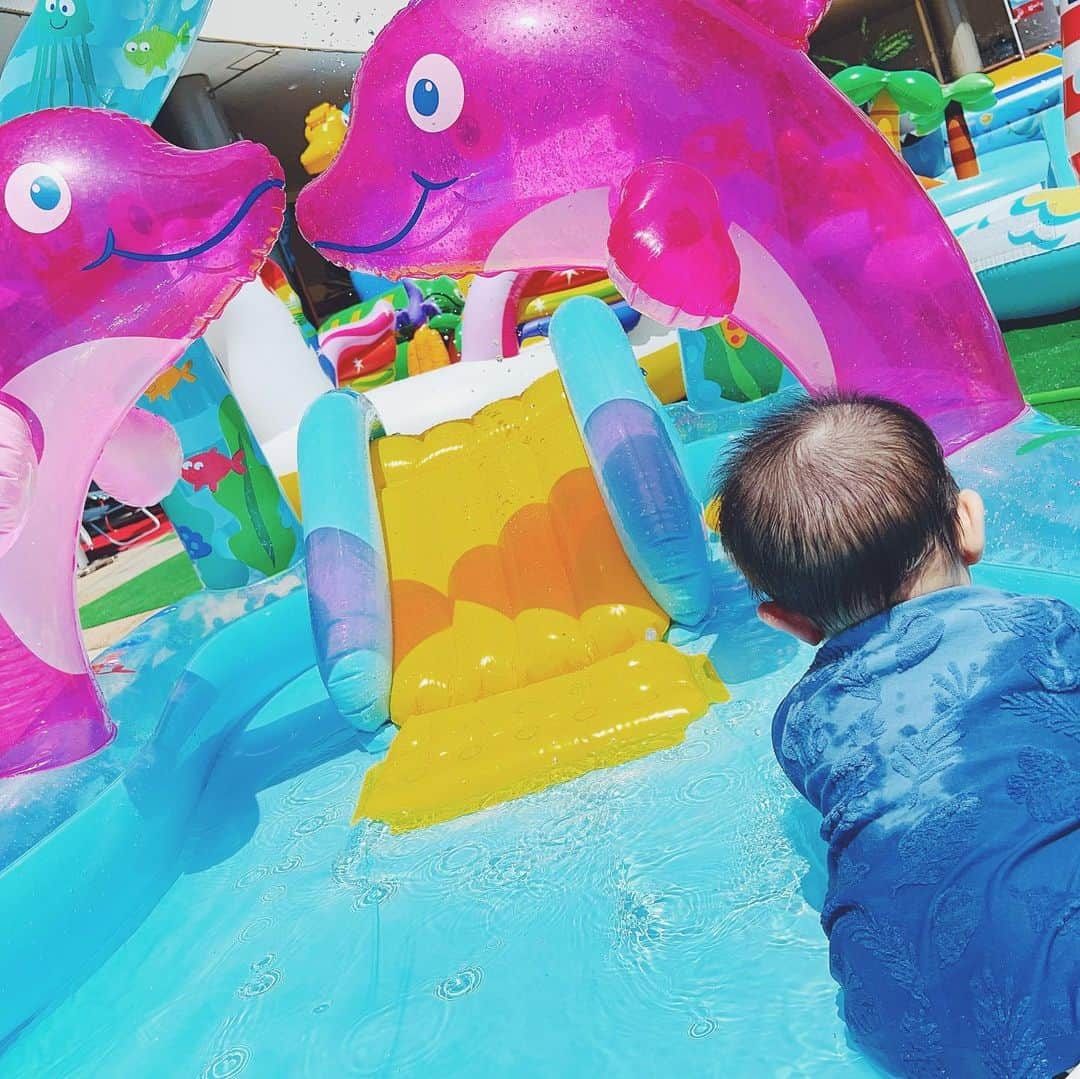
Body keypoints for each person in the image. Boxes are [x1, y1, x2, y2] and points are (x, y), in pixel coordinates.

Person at [714, 392, 1080, 1078]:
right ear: (967, 521)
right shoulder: (1043, 625)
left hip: (905, 1029)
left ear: (785, 620)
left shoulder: (801, 724)